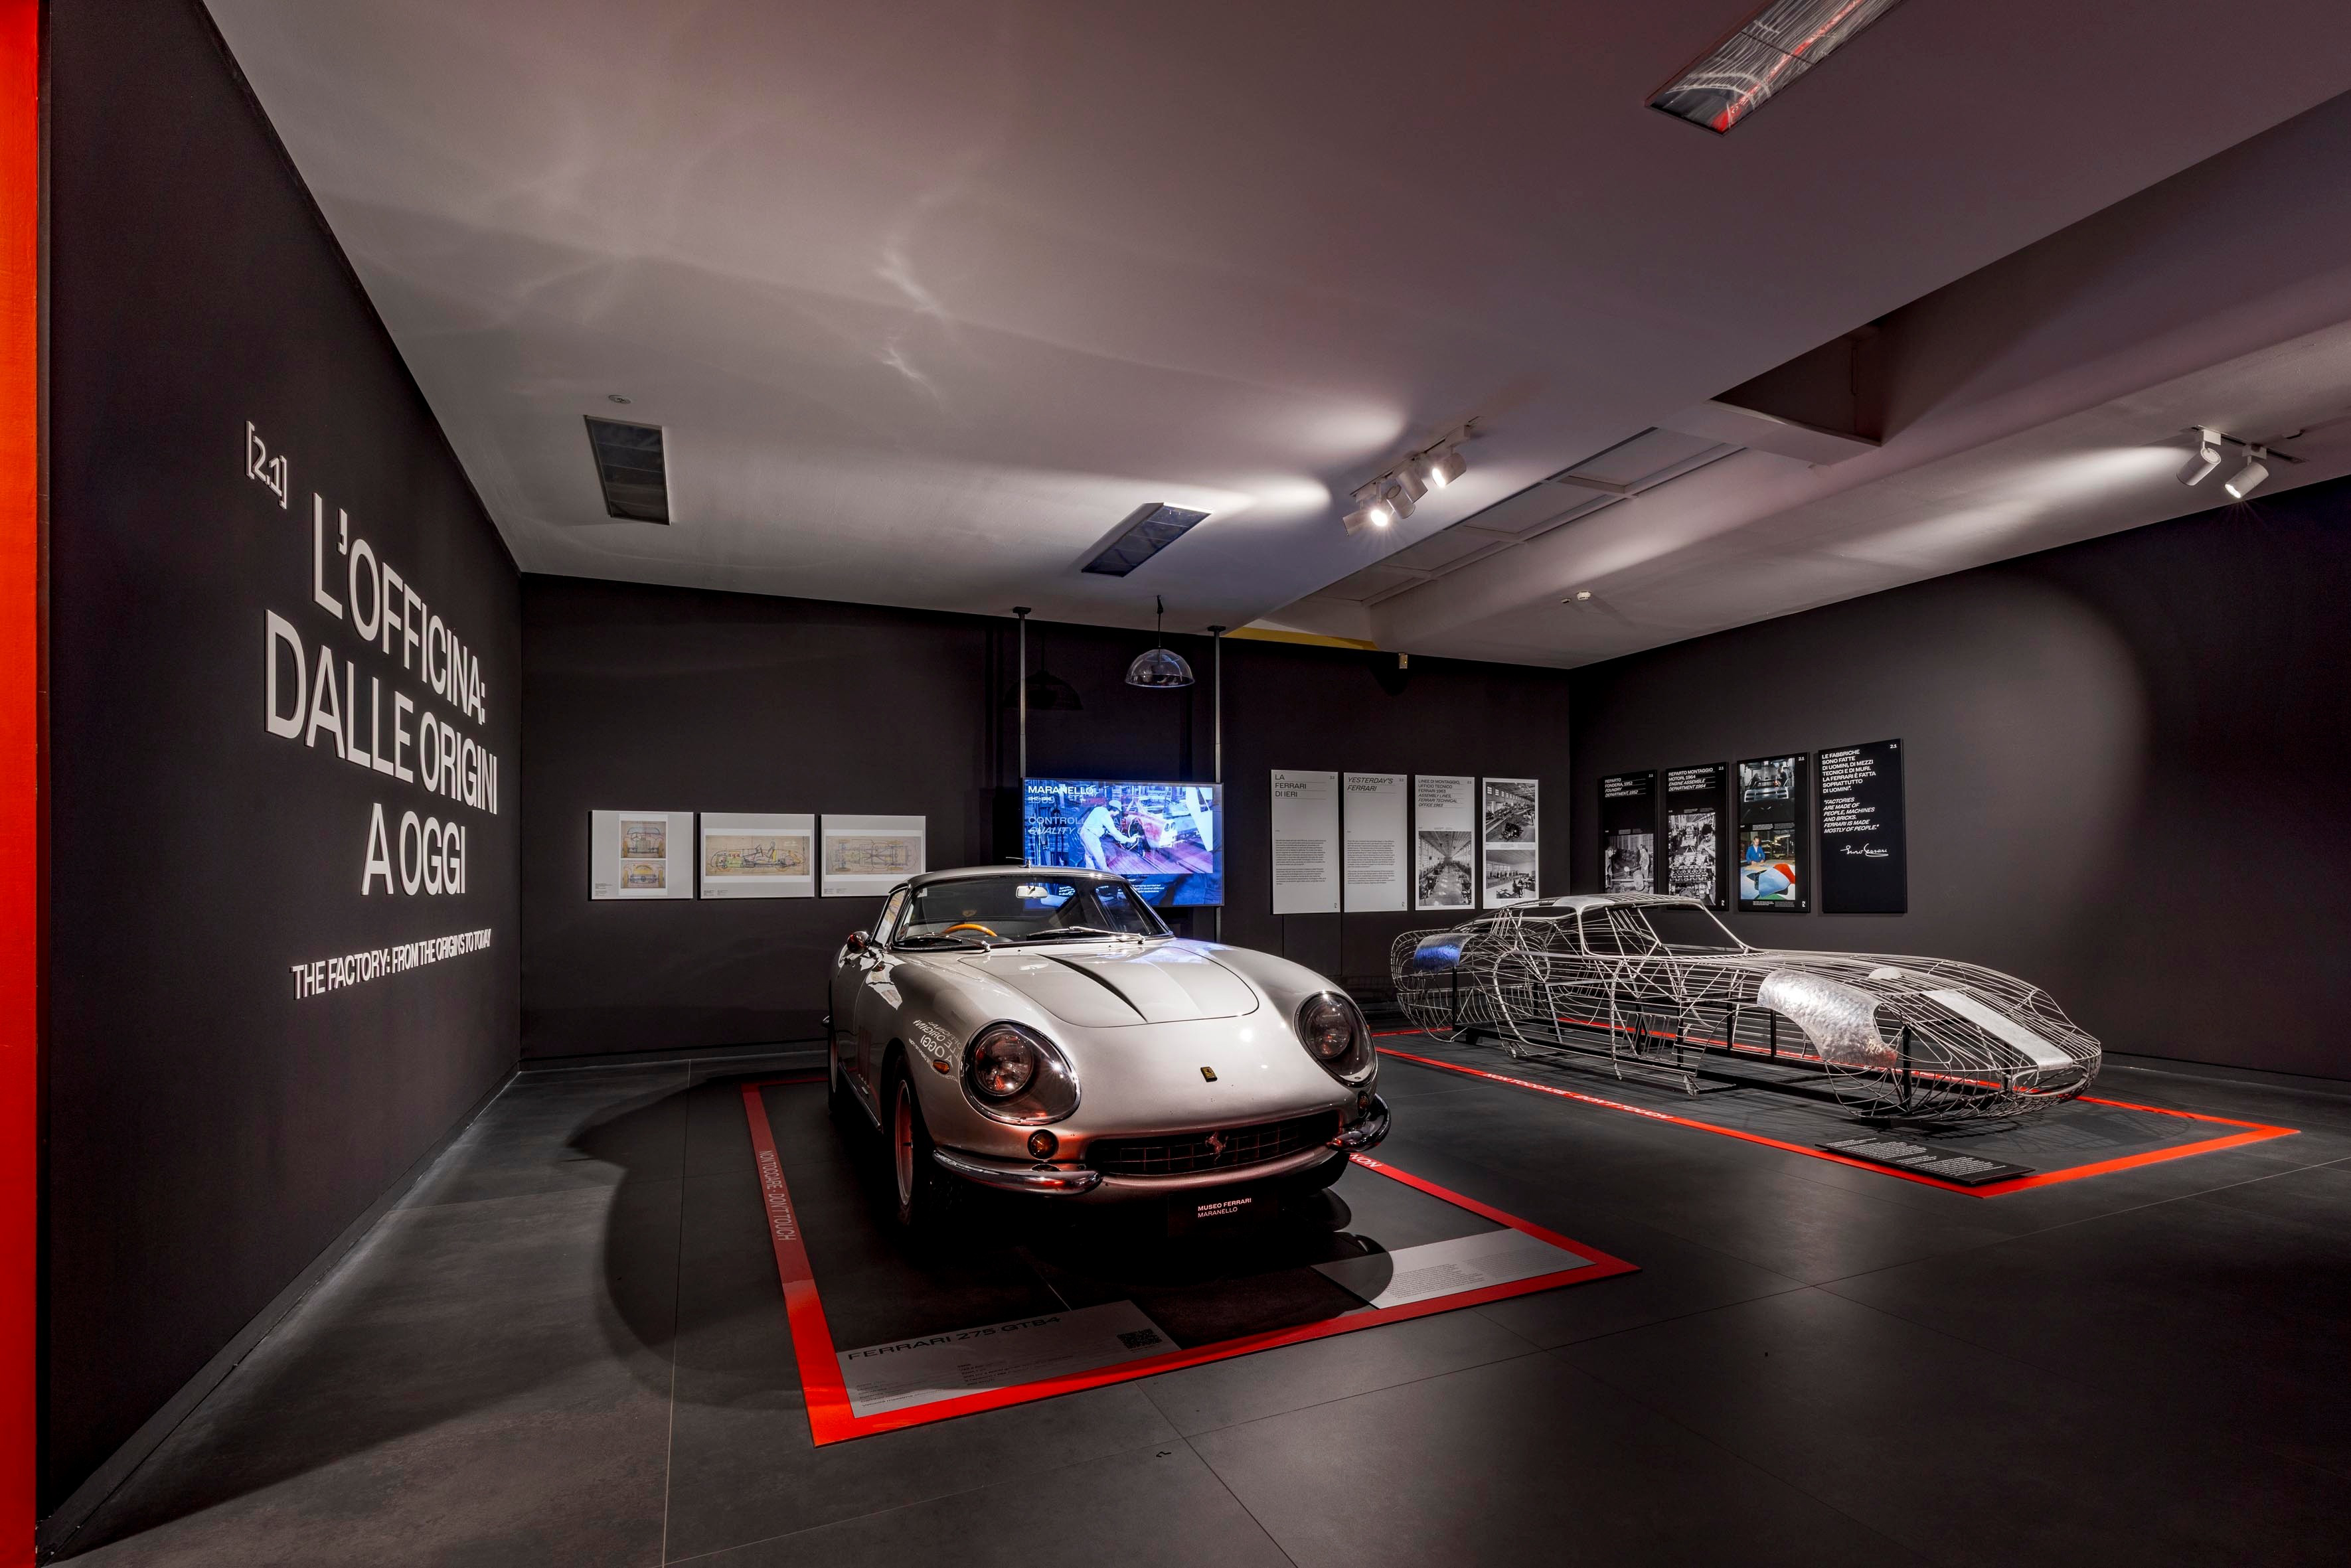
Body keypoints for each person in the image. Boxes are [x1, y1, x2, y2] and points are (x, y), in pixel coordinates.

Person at [1077, 797, 1141, 870]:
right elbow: (1115, 833)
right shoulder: (1106, 816)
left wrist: (1103, 831)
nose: (1118, 813)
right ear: (1114, 809)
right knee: (1099, 857)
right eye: (1118, 811)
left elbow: (1095, 823)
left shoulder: (1099, 809)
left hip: (1084, 832)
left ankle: (1090, 872)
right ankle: (1107, 875)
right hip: (1091, 837)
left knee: (1089, 855)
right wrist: (1130, 840)